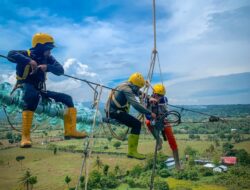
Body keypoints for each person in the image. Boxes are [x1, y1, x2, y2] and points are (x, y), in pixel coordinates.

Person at [7, 33, 86, 148]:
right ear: (40, 47)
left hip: (40, 90)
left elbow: (60, 70)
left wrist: (47, 67)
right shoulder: (25, 54)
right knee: (31, 95)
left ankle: (70, 130)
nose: (50, 51)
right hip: (24, 86)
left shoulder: (48, 59)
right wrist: (29, 61)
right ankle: (25, 137)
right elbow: (10, 54)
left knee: (67, 99)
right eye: (48, 48)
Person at [106, 72, 156, 160]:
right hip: (114, 113)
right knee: (136, 124)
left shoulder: (127, 85)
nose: (138, 89)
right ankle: (132, 151)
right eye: (137, 87)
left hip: (114, 111)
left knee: (135, 123)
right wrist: (149, 113)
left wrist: (149, 97)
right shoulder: (126, 89)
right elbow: (135, 104)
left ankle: (132, 151)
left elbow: (138, 92)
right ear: (133, 84)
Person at [145, 83, 181, 170]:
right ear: (154, 93)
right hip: (153, 119)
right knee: (148, 123)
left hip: (163, 119)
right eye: (158, 95)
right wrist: (151, 116)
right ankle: (158, 140)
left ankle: (177, 164)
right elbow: (146, 114)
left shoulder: (164, 99)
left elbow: (166, 111)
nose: (159, 97)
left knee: (171, 138)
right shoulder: (148, 100)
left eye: (161, 95)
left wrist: (162, 116)